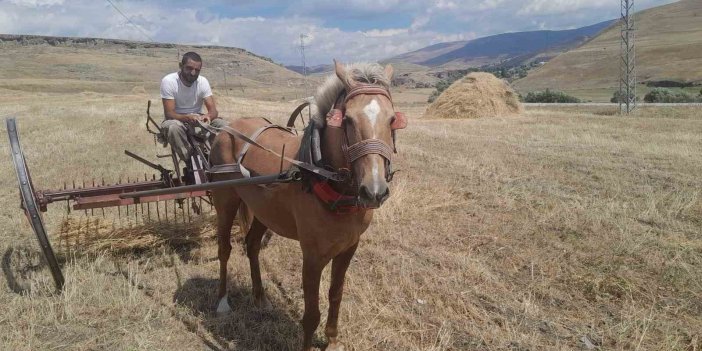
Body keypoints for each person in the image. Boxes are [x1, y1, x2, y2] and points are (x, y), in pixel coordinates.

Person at [160, 51, 227, 171]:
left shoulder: (202, 81)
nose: (193, 73)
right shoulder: (169, 81)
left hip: (198, 118)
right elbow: (169, 113)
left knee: (223, 126)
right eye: (189, 68)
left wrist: (207, 117)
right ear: (181, 66)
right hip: (175, 119)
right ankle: (191, 161)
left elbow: (213, 111)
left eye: (197, 70)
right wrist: (188, 118)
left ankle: (220, 158)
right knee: (173, 128)